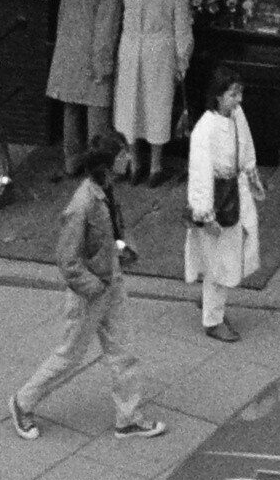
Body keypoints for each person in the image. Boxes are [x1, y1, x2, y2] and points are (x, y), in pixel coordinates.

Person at [9, 134, 168, 441]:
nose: (128, 158)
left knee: (124, 353)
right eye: (122, 154)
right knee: (69, 356)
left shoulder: (106, 189)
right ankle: (22, 402)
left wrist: (124, 250)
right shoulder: (82, 204)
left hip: (111, 282)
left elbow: (114, 231)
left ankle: (128, 419)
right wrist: (94, 287)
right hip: (90, 294)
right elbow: (67, 260)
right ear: (108, 163)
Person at [181, 67, 268, 337]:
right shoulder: (204, 130)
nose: (238, 100)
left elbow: (246, 147)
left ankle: (209, 302)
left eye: (239, 93)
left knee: (233, 252)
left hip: (235, 194)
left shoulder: (237, 115)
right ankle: (212, 320)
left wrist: (251, 177)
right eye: (233, 94)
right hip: (218, 202)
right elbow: (200, 174)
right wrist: (205, 215)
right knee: (219, 262)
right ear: (218, 96)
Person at [112, 0, 195, 184]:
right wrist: (183, 61)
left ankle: (135, 162)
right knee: (158, 104)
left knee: (131, 102)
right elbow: (182, 29)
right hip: (160, 50)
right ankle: (155, 167)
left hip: (131, 47)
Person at [44, 0, 124, 181]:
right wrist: (104, 62)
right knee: (96, 109)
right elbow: (107, 23)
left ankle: (71, 161)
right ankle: (95, 167)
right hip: (92, 47)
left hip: (69, 41)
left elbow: (65, 0)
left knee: (71, 106)